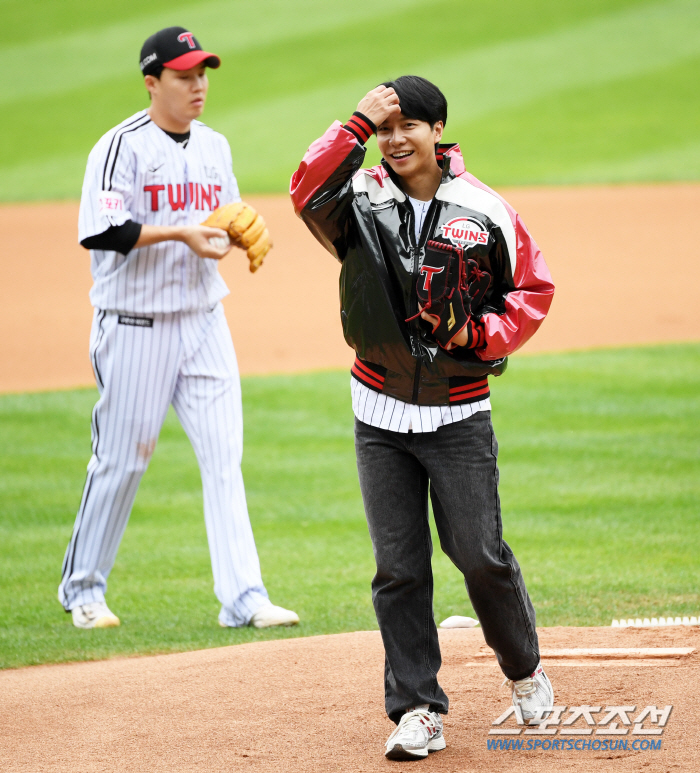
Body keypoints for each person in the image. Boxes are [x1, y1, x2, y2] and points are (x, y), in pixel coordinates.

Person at [290, 76, 555, 760]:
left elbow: (532, 290)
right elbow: (303, 191)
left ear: (439, 130)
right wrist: (352, 124)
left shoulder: (483, 208)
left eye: (409, 125)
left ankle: (524, 670)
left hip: (459, 414)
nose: (396, 139)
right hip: (377, 411)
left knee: (479, 555)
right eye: (386, 127)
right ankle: (417, 708)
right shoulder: (359, 200)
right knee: (398, 569)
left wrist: (477, 336)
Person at [59, 27, 298, 632]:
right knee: (122, 460)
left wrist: (223, 238)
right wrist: (182, 233)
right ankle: (83, 589)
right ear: (152, 82)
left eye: (202, 74)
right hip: (137, 325)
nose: (198, 86)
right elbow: (103, 231)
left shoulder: (215, 145)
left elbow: (222, 222)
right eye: (184, 75)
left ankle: (243, 596)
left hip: (204, 324)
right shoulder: (121, 148)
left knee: (224, 458)